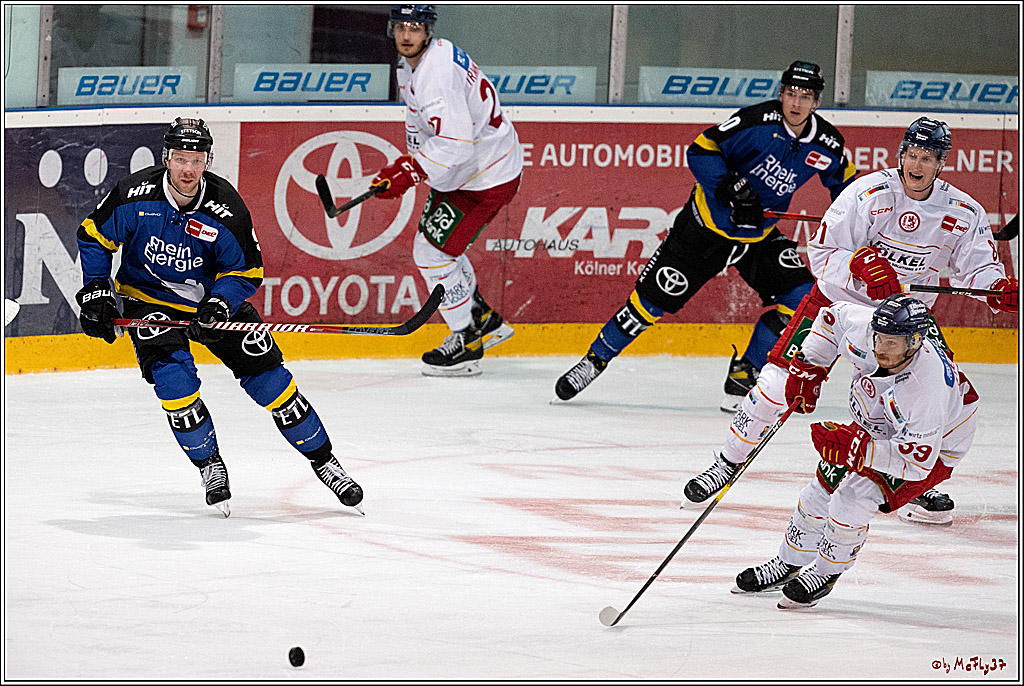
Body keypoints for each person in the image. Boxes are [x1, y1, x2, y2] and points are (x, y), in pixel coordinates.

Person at [681, 117, 1017, 526]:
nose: (918, 164)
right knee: (774, 385)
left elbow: (977, 269)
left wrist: (998, 288)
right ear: (901, 155)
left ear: (940, 163)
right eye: (912, 154)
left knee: (940, 400)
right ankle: (725, 463)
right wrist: (857, 264)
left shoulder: (963, 211)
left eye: (927, 157)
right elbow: (822, 252)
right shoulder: (867, 192)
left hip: (904, 323)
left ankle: (911, 483)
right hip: (835, 304)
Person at [75, 117, 364, 517]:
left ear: (208, 160)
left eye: (196, 159)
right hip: (150, 301)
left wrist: (220, 303)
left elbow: (245, 271)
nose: (188, 169)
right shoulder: (133, 195)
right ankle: (210, 465)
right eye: (180, 158)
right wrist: (97, 291)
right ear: (166, 158)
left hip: (212, 304)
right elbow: (94, 236)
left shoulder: (226, 207)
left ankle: (325, 461)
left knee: (273, 385)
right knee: (174, 384)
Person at [554, 60, 858, 410]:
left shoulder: (827, 143)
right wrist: (730, 188)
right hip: (704, 230)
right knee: (649, 304)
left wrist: (855, 222)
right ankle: (593, 361)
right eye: (790, 93)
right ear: (781, 94)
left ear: (817, 102)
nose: (796, 103)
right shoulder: (757, 121)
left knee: (804, 299)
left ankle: (746, 373)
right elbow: (701, 148)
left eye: (805, 96)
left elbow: (846, 185)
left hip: (757, 238)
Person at [732, 294, 979, 608]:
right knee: (819, 489)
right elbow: (830, 318)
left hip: (934, 446)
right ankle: (787, 564)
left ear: (915, 342)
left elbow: (917, 463)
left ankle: (824, 572)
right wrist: (809, 366)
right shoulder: (867, 329)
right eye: (879, 339)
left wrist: (859, 450)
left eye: (892, 343)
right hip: (876, 427)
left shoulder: (926, 389)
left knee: (853, 496)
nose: (880, 348)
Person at [370, 4, 520, 377]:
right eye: (401, 26)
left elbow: (456, 144)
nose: (407, 35)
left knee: (432, 253)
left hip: (484, 177)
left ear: (429, 31)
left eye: (416, 27)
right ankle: (482, 319)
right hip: (465, 172)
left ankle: (466, 341)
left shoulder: (434, 74)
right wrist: (412, 164)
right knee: (437, 248)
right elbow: (436, 133)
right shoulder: (420, 63)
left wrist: (409, 170)